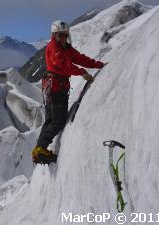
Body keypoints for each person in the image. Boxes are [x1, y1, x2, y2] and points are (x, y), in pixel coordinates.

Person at [32, 20, 105, 164]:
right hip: (56, 88)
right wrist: (82, 72)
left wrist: (98, 65)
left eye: (65, 35)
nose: (64, 38)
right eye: (61, 35)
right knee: (58, 121)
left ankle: (39, 150)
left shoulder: (65, 47)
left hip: (54, 87)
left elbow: (80, 58)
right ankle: (40, 149)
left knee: (50, 120)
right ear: (54, 35)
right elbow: (63, 65)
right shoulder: (54, 48)